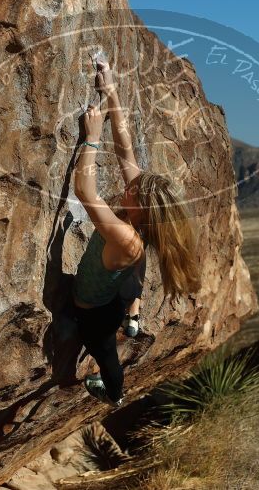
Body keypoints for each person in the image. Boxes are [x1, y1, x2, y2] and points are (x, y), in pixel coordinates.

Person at [66, 57, 202, 407]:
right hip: (113, 292)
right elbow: (126, 147)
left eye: (135, 189)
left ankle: (114, 394)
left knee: (105, 354)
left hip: (92, 313)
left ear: (142, 207)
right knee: (129, 289)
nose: (131, 183)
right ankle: (133, 314)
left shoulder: (127, 238)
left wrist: (92, 140)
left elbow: (85, 192)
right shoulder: (139, 212)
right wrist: (111, 90)